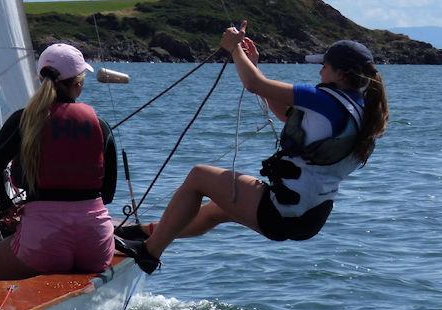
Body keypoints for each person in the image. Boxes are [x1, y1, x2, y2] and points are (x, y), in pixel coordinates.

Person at [117, 22, 389, 273]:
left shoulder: (321, 98)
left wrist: (235, 48)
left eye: (325, 66)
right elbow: (285, 113)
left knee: (199, 176)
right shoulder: (362, 109)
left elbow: (253, 84)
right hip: (310, 217)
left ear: (340, 74)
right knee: (215, 209)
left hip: (282, 211)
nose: (320, 71)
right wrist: (252, 64)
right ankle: (144, 232)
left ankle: (149, 253)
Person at [0, 43, 117, 280]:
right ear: (78, 84)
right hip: (95, 245)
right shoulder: (100, 126)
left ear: (40, 78)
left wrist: (5, 206)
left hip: (43, 244)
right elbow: (108, 194)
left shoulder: (24, 120)